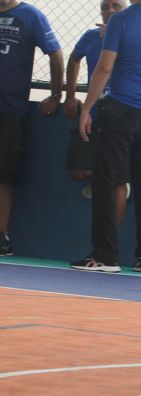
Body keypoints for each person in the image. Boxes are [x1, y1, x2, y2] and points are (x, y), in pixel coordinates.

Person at [71, 0, 141, 273]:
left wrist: (87, 108)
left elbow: (105, 67)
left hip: (122, 109)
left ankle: (105, 256)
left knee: (106, 182)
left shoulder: (122, 20)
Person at [0, 0, 63, 256]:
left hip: (10, 109)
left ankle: (2, 235)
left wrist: (56, 94)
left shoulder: (31, 15)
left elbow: (55, 53)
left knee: (4, 174)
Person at [64, 0, 129, 226]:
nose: (109, 10)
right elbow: (74, 58)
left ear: (126, 10)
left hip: (122, 112)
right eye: (104, 6)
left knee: (117, 182)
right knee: (77, 170)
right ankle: (101, 179)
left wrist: (116, 38)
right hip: (93, 110)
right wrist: (70, 96)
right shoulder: (91, 36)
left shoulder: (134, 37)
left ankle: (109, 239)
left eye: (116, 6)